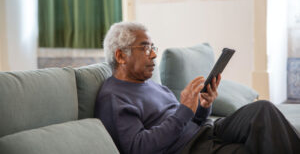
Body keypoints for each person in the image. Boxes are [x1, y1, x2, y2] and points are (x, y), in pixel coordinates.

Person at [94, 21, 300, 154]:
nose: (154, 54)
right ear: (120, 55)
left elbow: (190, 121)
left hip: (205, 131)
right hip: (187, 148)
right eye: (145, 47)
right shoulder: (114, 96)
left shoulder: (154, 86)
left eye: (152, 47)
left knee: (262, 109)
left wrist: (202, 106)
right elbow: (137, 148)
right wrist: (184, 109)